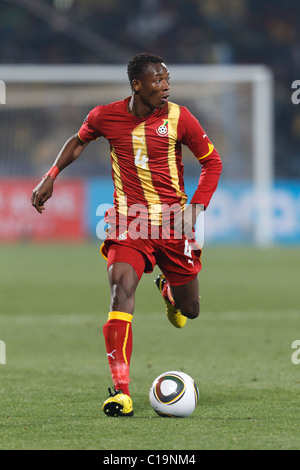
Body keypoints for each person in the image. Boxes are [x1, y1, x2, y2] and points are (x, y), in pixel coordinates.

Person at [31, 52, 222, 417]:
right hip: (128, 221)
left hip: (171, 223)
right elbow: (79, 138)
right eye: (158, 81)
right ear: (137, 84)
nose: (166, 87)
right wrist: (52, 174)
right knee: (120, 290)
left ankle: (169, 290)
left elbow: (212, 162)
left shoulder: (181, 118)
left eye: (168, 80)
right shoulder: (105, 115)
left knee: (190, 310)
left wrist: (195, 209)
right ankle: (121, 392)